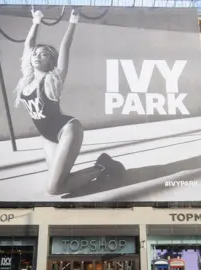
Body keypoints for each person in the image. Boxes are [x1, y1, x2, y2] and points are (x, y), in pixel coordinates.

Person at [14, 8, 126, 195]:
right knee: (60, 181)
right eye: (35, 54)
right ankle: (102, 165)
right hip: (48, 138)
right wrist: (36, 20)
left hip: (67, 130)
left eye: (43, 54)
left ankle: (105, 167)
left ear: (51, 59)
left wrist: (73, 21)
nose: (36, 56)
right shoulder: (27, 79)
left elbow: (65, 46)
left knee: (54, 188)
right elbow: (28, 45)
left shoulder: (53, 78)